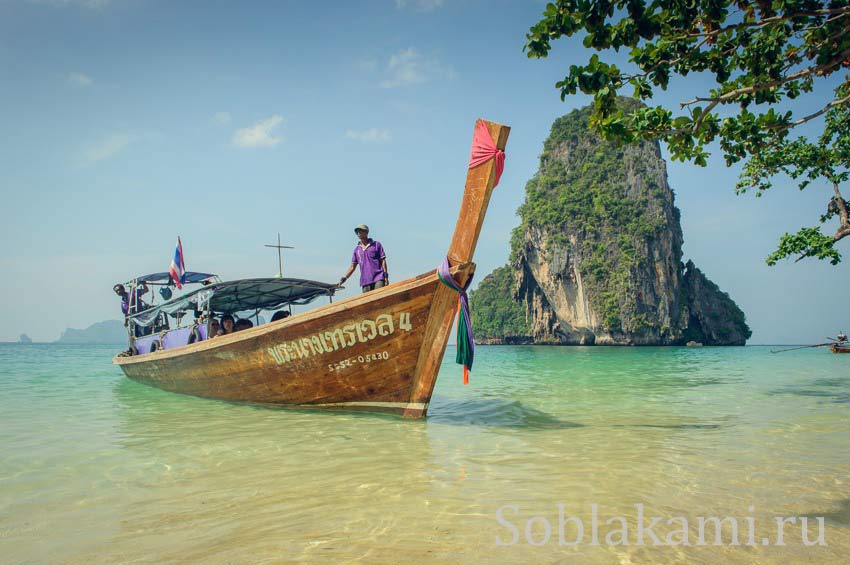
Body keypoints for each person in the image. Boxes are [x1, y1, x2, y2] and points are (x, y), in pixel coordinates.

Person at [339, 224, 388, 293]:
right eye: (357, 232)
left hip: (378, 277)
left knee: (379, 298)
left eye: (360, 231)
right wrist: (343, 279)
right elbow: (352, 267)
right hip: (365, 281)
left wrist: (385, 275)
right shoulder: (357, 250)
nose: (358, 233)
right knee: (368, 302)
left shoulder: (376, 245)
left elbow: (383, 261)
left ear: (366, 232)